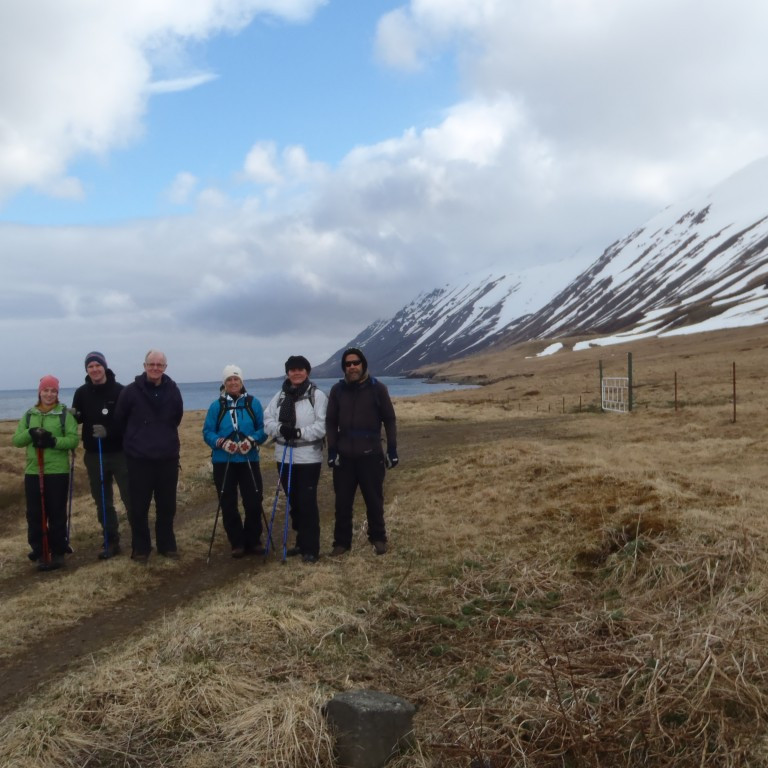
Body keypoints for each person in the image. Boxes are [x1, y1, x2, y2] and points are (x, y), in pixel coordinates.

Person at [325, 348, 398, 556]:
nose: (352, 367)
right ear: (344, 368)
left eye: (356, 363)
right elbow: (330, 422)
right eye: (348, 364)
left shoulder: (378, 389)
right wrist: (332, 451)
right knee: (342, 502)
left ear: (363, 364)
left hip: (371, 455)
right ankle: (341, 543)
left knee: (374, 499)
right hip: (344, 456)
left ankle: (378, 538)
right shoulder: (337, 390)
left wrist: (392, 449)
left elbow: (390, 419)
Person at [114, 349, 183, 562]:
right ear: (144, 366)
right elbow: (120, 420)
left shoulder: (173, 390)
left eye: (159, 365)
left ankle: (167, 545)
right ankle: (141, 548)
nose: (155, 368)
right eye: (151, 364)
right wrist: (136, 440)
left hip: (167, 458)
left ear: (165, 367)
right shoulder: (130, 391)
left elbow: (177, 417)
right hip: (139, 460)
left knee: (167, 505)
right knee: (138, 506)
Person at [264, 355, 327, 563]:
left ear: (307, 372)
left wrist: (298, 433)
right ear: (287, 373)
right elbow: (267, 420)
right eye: (292, 370)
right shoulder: (280, 396)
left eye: (300, 369)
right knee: (294, 502)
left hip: (308, 457)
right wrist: (281, 429)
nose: (296, 373)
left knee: (307, 502)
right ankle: (301, 542)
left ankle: (311, 548)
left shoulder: (317, 396)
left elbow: (322, 426)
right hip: (284, 457)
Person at [12, 375, 79, 570]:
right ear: (39, 392)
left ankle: (58, 550)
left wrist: (53, 442)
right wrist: (31, 432)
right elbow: (17, 441)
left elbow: (73, 440)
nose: (49, 394)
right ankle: (40, 550)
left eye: (53, 391)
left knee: (56, 511)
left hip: (57, 471)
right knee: (35, 513)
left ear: (57, 393)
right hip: (33, 470)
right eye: (46, 390)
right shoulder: (29, 415)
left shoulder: (65, 415)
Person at [202, 365, 267, 558]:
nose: (233, 383)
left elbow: (264, 428)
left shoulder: (253, 403)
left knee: (254, 501)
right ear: (224, 383)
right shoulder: (216, 406)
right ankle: (237, 542)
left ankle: (253, 540)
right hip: (224, 461)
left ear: (242, 382)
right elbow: (207, 432)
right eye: (229, 380)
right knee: (228, 502)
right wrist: (221, 443)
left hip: (249, 458)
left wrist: (252, 440)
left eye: (236, 379)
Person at [72, 351, 131, 559]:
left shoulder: (121, 391)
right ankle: (111, 540)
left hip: (120, 453)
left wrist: (109, 431)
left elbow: (128, 422)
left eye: (98, 365)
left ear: (105, 367)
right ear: (87, 370)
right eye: (90, 367)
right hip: (94, 454)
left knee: (129, 497)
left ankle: (139, 538)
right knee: (103, 501)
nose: (95, 369)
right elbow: (78, 418)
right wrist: (74, 416)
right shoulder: (81, 392)